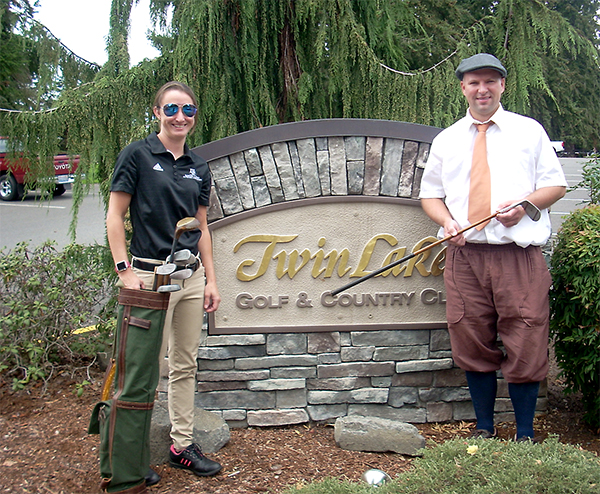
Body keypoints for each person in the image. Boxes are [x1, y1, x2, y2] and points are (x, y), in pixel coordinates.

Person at [419, 54, 567, 441]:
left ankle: (524, 432)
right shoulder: (447, 139)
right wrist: (446, 222)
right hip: (465, 257)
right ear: (463, 88)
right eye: (473, 82)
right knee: (470, 337)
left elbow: (555, 185)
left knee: (526, 337)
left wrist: (524, 208)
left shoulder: (529, 131)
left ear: (503, 85)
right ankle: (484, 427)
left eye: (490, 81)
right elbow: (430, 195)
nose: (481, 89)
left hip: (518, 256)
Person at [106, 81, 222, 486]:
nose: (180, 117)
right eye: (172, 109)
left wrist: (210, 279)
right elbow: (115, 216)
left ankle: (182, 446)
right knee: (142, 369)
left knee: (185, 363)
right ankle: (130, 457)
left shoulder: (198, 166)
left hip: (190, 276)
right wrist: (125, 270)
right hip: (150, 276)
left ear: (194, 117)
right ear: (157, 112)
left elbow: (202, 225)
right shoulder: (137, 155)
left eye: (188, 110)